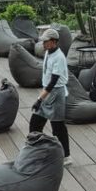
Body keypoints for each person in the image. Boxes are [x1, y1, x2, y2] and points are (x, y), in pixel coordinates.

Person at [30, 28, 72, 166]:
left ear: (54, 41)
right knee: (35, 123)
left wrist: (39, 99)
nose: (43, 44)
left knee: (58, 127)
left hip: (56, 93)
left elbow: (53, 82)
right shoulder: (48, 52)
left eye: (46, 41)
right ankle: (34, 152)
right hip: (47, 92)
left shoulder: (59, 57)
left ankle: (66, 156)